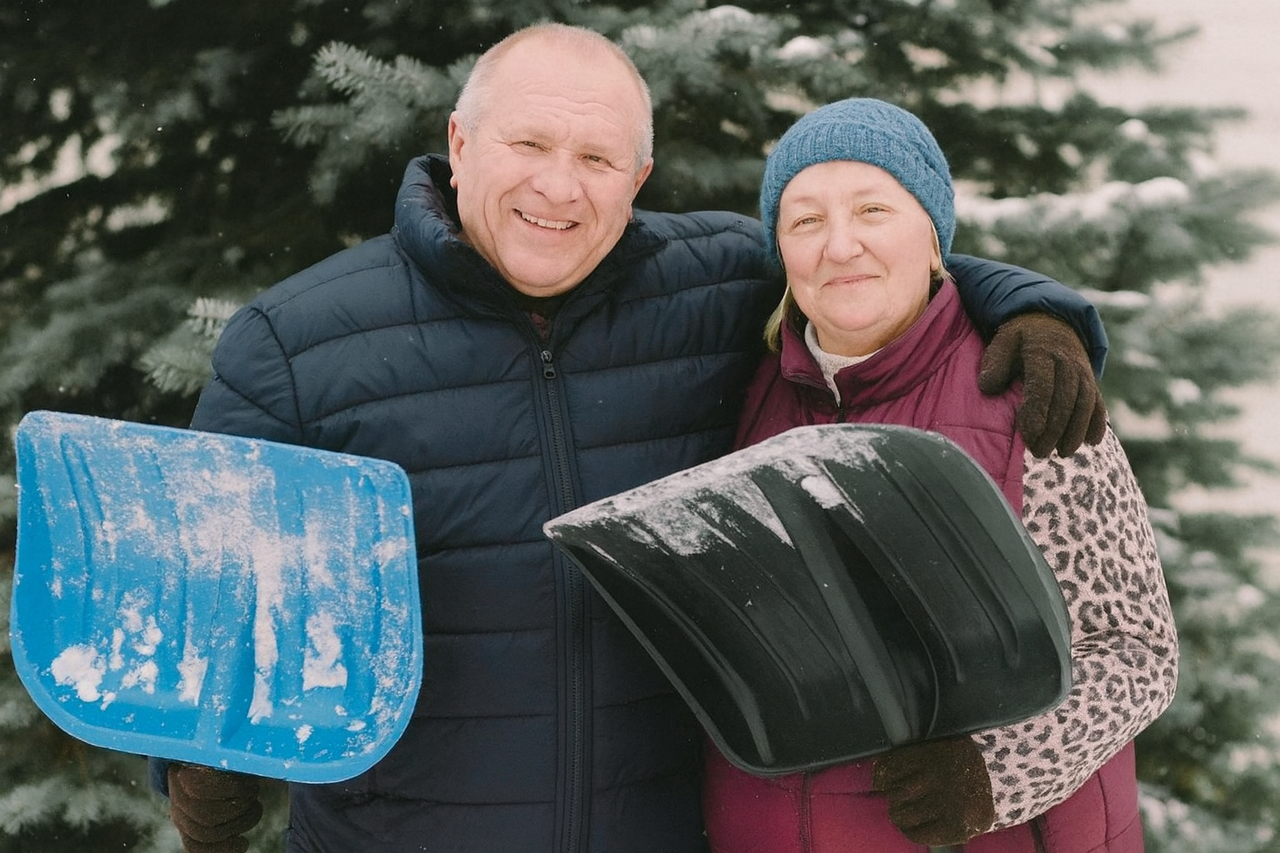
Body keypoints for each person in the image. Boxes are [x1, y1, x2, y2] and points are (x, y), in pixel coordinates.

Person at [154, 25, 1112, 853]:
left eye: (599, 159)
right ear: (459, 142)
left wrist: (1032, 309)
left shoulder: (711, 285)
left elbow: (860, 260)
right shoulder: (297, 344)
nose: (558, 187)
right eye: (528, 142)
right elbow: (207, 589)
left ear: (640, 177)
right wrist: (188, 762)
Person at [700, 97, 1178, 853]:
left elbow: (1137, 649)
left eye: (873, 208)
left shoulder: (1033, 394)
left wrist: (995, 770)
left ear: (933, 238)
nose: (841, 244)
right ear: (780, 250)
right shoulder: (754, 391)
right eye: (806, 220)